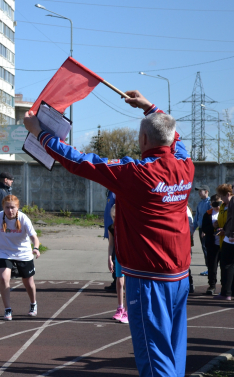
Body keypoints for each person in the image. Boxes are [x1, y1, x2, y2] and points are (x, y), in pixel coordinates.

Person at [24, 91, 194, 377]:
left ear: (143, 141)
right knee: (174, 351)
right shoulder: (185, 164)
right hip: (179, 275)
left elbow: (79, 161)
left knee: (155, 358)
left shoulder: (136, 172)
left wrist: (40, 133)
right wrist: (150, 107)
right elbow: (174, 137)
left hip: (147, 277)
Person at [0, 195, 40, 321]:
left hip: (23, 253)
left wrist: (36, 248)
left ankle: (33, 304)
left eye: (13, 207)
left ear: (17, 208)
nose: (10, 210)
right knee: (4, 278)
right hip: (4, 252)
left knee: (28, 283)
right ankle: (7, 309)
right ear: (3, 207)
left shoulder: (23, 218)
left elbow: (34, 237)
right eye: (7, 207)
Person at [107, 204, 128, 324]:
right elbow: (110, 245)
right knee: (119, 281)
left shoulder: (127, 227)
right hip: (118, 257)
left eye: (117, 216)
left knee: (127, 283)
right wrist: (109, 258)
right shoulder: (111, 228)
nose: (115, 219)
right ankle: (120, 308)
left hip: (128, 258)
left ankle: (128, 310)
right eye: (113, 217)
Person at [0, 172, 14, 281]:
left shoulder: (5, 190)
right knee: (0, 245)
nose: (12, 181)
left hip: (5, 222)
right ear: (5, 180)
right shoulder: (0, 192)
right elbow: (1, 210)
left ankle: (9, 268)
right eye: (11, 179)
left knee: (7, 244)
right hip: (2, 223)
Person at [215, 183, 234, 301]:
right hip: (229, 234)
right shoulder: (227, 205)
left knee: (226, 265)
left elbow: (232, 219)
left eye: (222, 196)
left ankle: (226, 292)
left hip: (230, 238)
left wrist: (231, 233)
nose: (221, 199)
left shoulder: (232, 201)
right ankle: (228, 291)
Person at [203, 194, 222, 295]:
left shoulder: (225, 212)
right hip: (212, 244)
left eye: (218, 204)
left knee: (225, 267)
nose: (217, 207)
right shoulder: (208, 214)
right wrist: (212, 226)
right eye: (214, 204)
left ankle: (226, 286)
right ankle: (212, 285)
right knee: (212, 266)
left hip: (224, 244)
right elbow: (204, 228)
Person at [193, 185, 211, 277]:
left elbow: (210, 218)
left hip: (207, 230)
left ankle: (210, 269)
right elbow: (197, 218)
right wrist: (192, 229)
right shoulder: (200, 204)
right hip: (201, 230)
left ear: (206, 191)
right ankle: (209, 268)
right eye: (198, 191)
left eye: (201, 191)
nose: (199, 193)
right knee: (204, 249)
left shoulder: (210, 203)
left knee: (207, 248)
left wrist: (205, 229)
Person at [104, 190, 117, 293]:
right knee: (113, 255)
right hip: (111, 228)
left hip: (117, 229)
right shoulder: (109, 192)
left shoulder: (115, 191)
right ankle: (115, 280)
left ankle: (117, 281)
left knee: (116, 256)